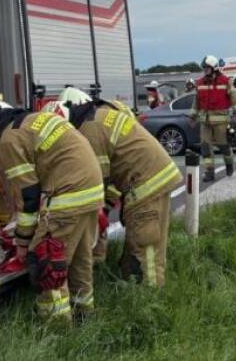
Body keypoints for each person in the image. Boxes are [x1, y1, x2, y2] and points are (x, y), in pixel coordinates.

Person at [0, 97, 104, 322]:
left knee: (47, 264)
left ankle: (56, 329)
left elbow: (28, 197)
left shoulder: (8, 140)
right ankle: (85, 316)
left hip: (69, 197)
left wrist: (23, 243)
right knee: (78, 261)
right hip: (91, 191)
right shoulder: (33, 120)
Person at [52, 88, 182, 287]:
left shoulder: (89, 130)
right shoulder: (101, 115)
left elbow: (95, 181)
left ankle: (151, 299)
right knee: (137, 241)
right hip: (147, 179)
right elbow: (111, 176)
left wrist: (94, 212)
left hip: (145, 184)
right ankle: (135, 285)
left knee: (145, 245)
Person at [189, 55, 236, 182]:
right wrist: (192, 116)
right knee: (205, 147)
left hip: (221, 122)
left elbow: (234, 97)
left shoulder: (225, 81)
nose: (205, 70)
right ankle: (209, 172)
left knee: (224, 146)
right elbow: (196, 102)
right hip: (205, 122)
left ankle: (229, 166)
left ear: (215, 68)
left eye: (208, 68)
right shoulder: (199, 83)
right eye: (204, 68)